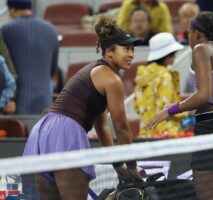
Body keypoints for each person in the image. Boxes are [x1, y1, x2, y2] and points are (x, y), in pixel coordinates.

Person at [23, 15, 143, 200]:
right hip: (65, 133)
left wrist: (119, 166)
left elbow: (102, 127)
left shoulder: (93, 71)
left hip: (43, 132)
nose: (131, 54)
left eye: (132, 49)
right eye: (126, 48)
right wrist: (133, 167)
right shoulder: (112, 79)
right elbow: (121, 128)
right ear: (109, 52)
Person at [145, 11, 213, 199]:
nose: (189, 38)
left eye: (189, 33)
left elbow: (204, 95)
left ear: (197, 33)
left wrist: (169, 111)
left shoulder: (201, 49)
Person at [1, 0, 59, 114]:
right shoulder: (52, 31)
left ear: (12, 9)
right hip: (45, 105)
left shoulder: (6, 30)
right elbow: (53, 70)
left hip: (16, 107)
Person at [133, 32, 187, 138]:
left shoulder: (142, 76)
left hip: (146, 133)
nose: (175, 56)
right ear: (167, 56)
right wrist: (186, 113)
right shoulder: (165, 76)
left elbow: (137, 107)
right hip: (166, 133)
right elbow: (166, 108)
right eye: (173, 53)